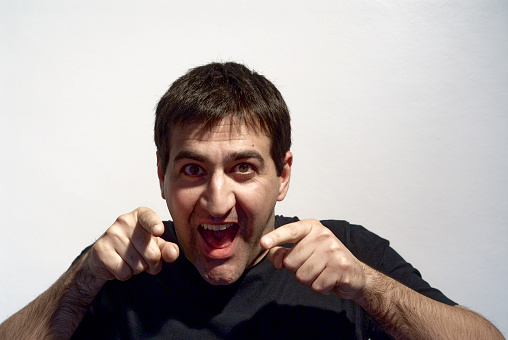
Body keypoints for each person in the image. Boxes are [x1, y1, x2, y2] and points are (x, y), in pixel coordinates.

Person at [0, 62, 503, 340]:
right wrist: (84, 278)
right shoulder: (122, 267)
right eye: (193, 170)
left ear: (282, 174)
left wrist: (368, 287)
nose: (217, 202)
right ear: (161, 175)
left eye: (243, 168)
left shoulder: (347, 252)